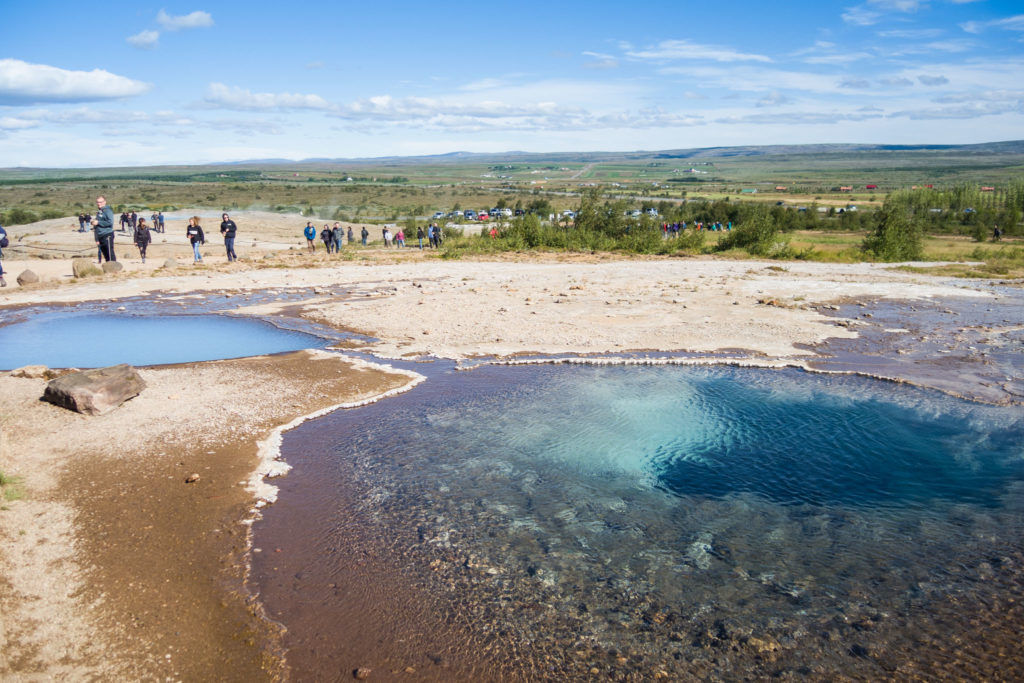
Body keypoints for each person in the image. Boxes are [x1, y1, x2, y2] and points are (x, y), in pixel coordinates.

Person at [92, 195, 116, 262]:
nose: (99, 203)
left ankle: (114, 269)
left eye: (100, 202)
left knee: (110, 254)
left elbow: (110, 222)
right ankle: (109, 269)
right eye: (97, 202)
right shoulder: (99, 211)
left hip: (107, 234)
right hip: (100, 235)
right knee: (105, 255)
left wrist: (98, 222)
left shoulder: (107, 210)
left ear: (105, 202)